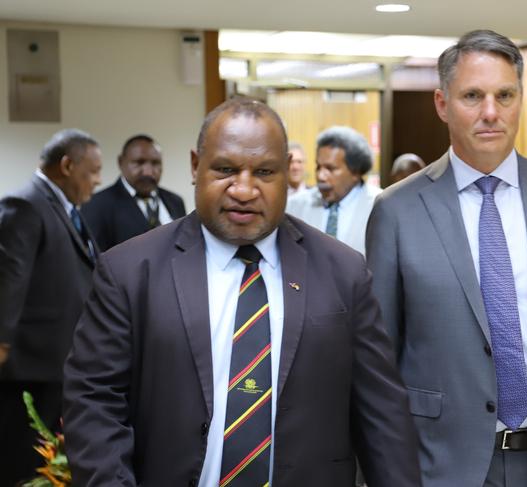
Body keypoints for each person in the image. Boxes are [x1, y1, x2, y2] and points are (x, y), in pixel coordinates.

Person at [63, 98, 421, 487]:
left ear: (286, 171)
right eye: (225, 170)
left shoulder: (344, 271)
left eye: (264, 172)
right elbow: (94, 402)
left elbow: (382, 415)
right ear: (195, 165)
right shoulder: (130, 272)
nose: (244, 189)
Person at [366, 30, 527, 487]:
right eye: (473, 96)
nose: (491, 112)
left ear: (520, 100)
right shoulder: (397, 211)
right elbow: (377, 360)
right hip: (439, 464)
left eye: (504, 95)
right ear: (443, 104)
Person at [0, 129, 102, 486]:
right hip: (29, 366)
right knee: (23, 463)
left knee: (47, 461)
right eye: (92, 171)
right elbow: (10, 278)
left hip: (57, 361)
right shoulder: (26, 203)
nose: (98, 180)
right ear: (67, 165)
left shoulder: (64, 206)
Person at [81, 134, 186, 251]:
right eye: (139, 163)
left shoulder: (175, 201)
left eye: (155, 163)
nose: (148, 172)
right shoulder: (96, 205)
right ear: (121, 162)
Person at [286, 126, 380, 255]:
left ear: (355, 172)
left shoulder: (379, 206)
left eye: (330, 169)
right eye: (318, 167)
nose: (320, 176)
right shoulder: (294, 206)